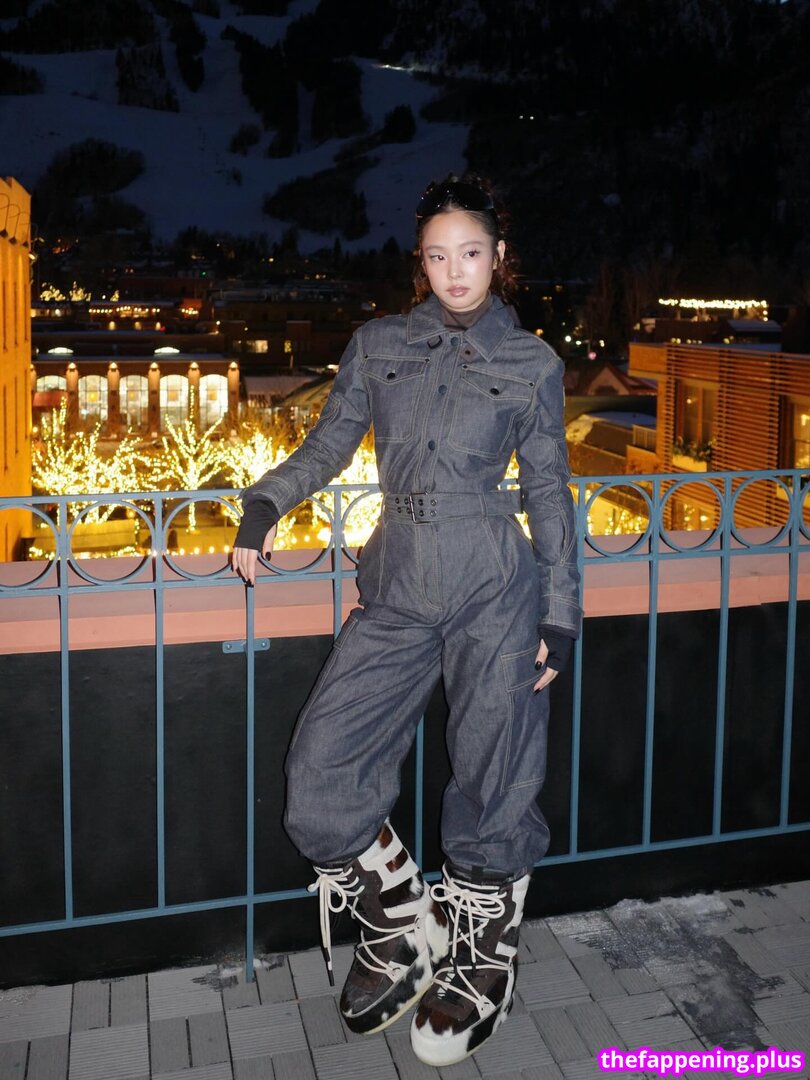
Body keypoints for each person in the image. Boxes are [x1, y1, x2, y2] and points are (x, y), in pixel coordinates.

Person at [231, 175, 582, 1068]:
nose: (454, 271)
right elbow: (329, 442)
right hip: (397, 581)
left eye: (471, 253)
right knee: (319, 770)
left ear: (499, 258)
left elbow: (548, 489)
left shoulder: (532, 363)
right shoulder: (378, 344)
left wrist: (560, 611)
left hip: (495, 586)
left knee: (495, 773)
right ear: (419, 263)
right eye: (436, 255)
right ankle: (402, 921)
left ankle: (485, 955)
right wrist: (265, 504)